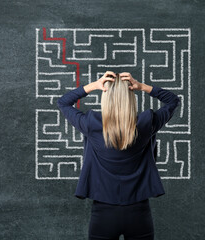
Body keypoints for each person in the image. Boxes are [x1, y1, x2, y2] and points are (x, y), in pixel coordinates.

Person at [57, 71, 181, 240]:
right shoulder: (146, 123)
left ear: (105, 97)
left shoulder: (91, 124)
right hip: (139, 212)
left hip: (103, 214)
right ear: (131, 98)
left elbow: (63, 102)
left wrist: (94, 85)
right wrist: (142, 86)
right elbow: (173, 100)